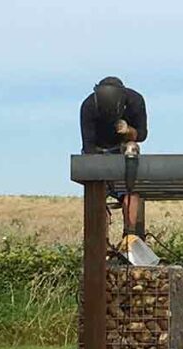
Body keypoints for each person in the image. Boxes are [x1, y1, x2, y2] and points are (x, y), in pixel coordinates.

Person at [80, 77, 148, 238]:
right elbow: (88, 145)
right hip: (97, 150)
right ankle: (100, 239)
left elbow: (142, 134)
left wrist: (128, 131)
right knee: (96, 195)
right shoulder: (89, 106)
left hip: (123, 149)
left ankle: (130, 235)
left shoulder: (135, 101)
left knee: (131, 191)